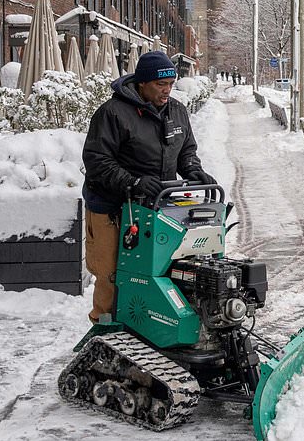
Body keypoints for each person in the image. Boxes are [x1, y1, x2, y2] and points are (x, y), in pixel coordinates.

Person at [80, 51, 216, 323]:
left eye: (170, 84)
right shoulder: (112, 114)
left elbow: (185, 149)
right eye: (160, 85)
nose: (167, 91)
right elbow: (97, 160)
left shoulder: (176, 111)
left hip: (156, 205)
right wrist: (133, 181)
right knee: (112, 273)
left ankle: (151, 329)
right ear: (142, 83)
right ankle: (104, 332)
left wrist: (193, 169)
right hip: (113, 207)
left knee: (159, 270)